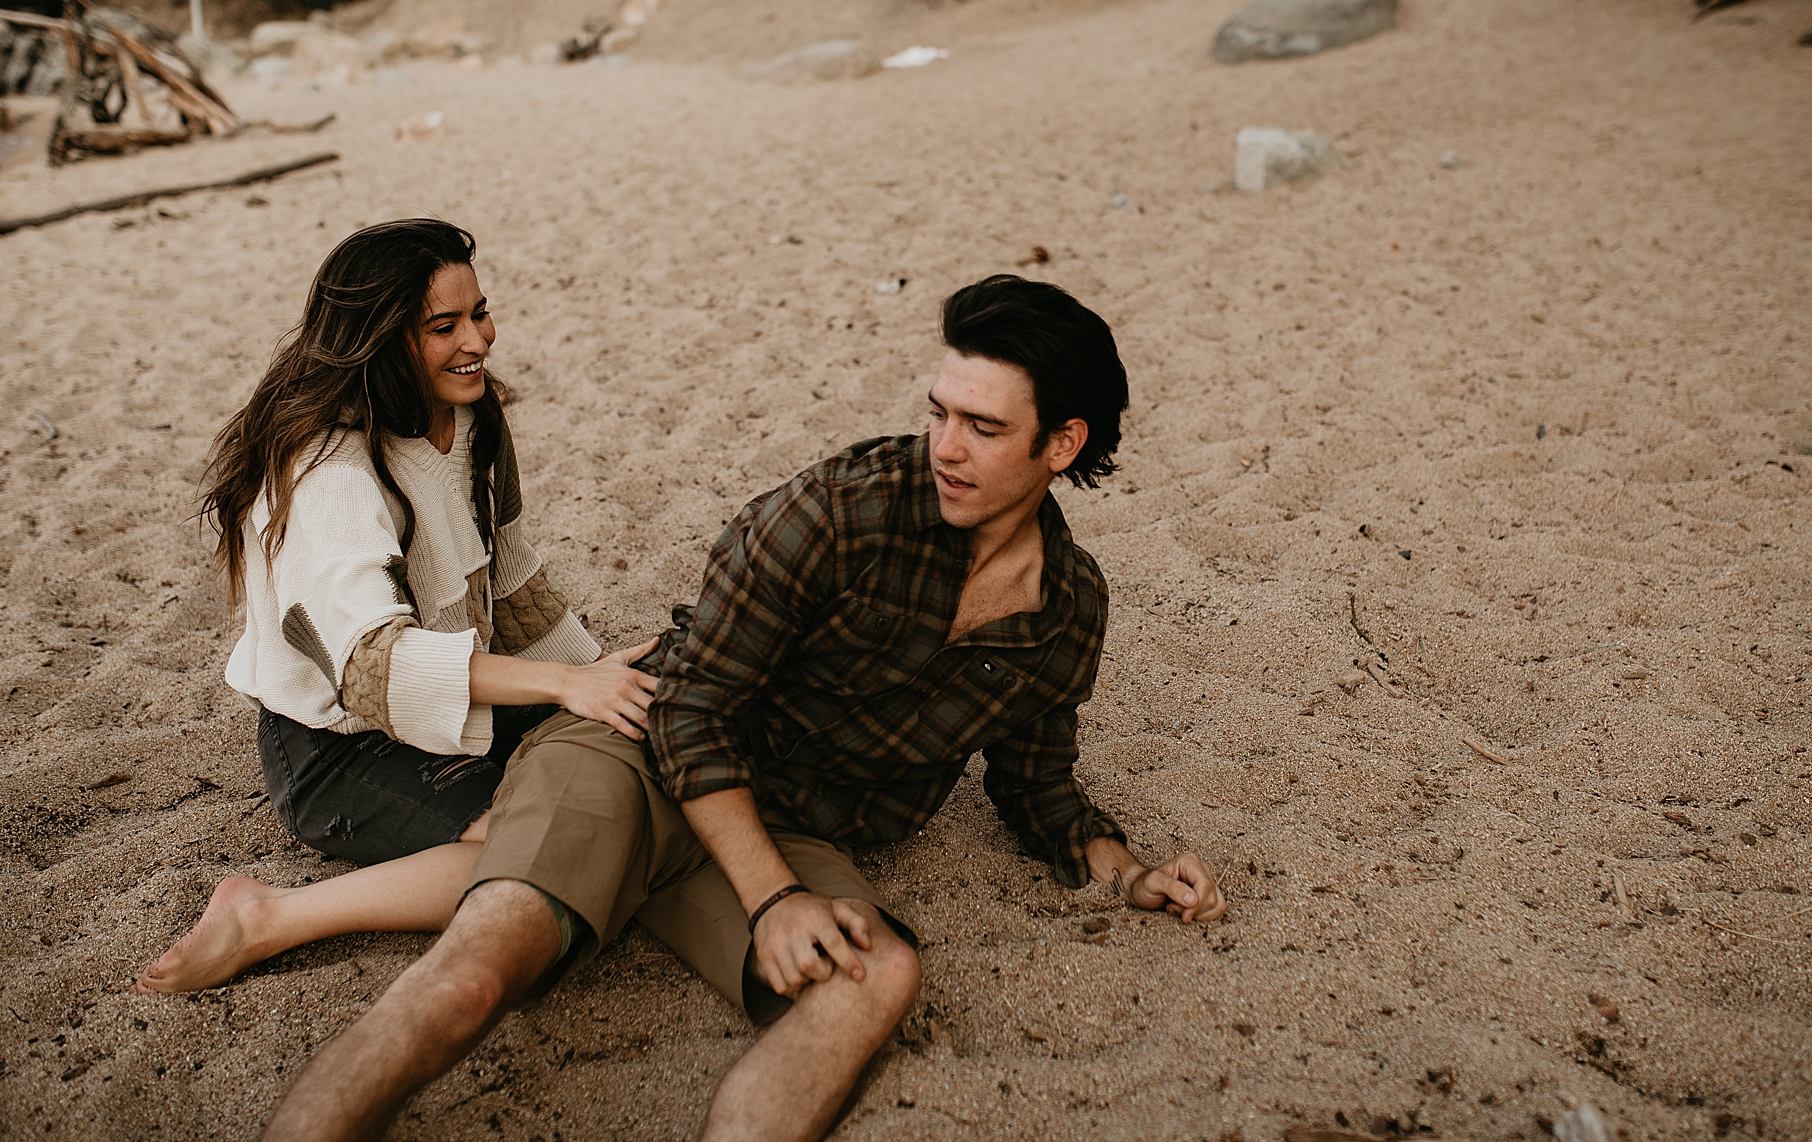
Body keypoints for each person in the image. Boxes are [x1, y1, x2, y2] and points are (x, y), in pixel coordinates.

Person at [260, 274, 1228, 1142]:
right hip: (635, 756)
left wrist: (1126, 871)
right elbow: (690, 712)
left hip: (787, 818)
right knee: (477, 970)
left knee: (876, 978)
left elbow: (1035, 783)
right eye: (939, 413)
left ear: (1062, 442)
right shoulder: (838, 512)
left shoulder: (1066, 610)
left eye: (982, 427)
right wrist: (771, 897)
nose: (945, 447)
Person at [138, 218, 657, 994]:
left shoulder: (477, 417)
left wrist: (592, 679)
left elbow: (513, 586)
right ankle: (265, 916)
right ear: (378, 340)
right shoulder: (329, 468)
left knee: (638, 747)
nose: (478, 338)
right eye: (442, 326)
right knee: (528, 856)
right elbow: (371, 669)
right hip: (338, 744)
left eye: (478, 312)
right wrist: (558, 688)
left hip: (462, 695)